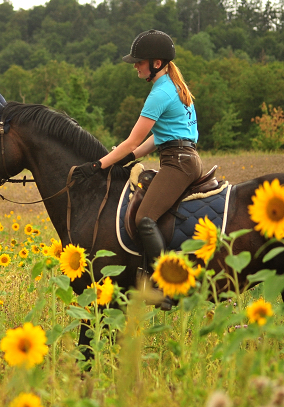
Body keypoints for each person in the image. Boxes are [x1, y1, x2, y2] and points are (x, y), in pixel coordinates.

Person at [74, 29, 202, 275]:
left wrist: (98, 165)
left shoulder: (160, 93)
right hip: (185, 158)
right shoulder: (174, 86)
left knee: (144, 218)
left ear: (157, 63)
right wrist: (129, 159)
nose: (135, 67)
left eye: (139, 62)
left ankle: (163, 281)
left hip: (178, 163)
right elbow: (159, 137)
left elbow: (132, 141)